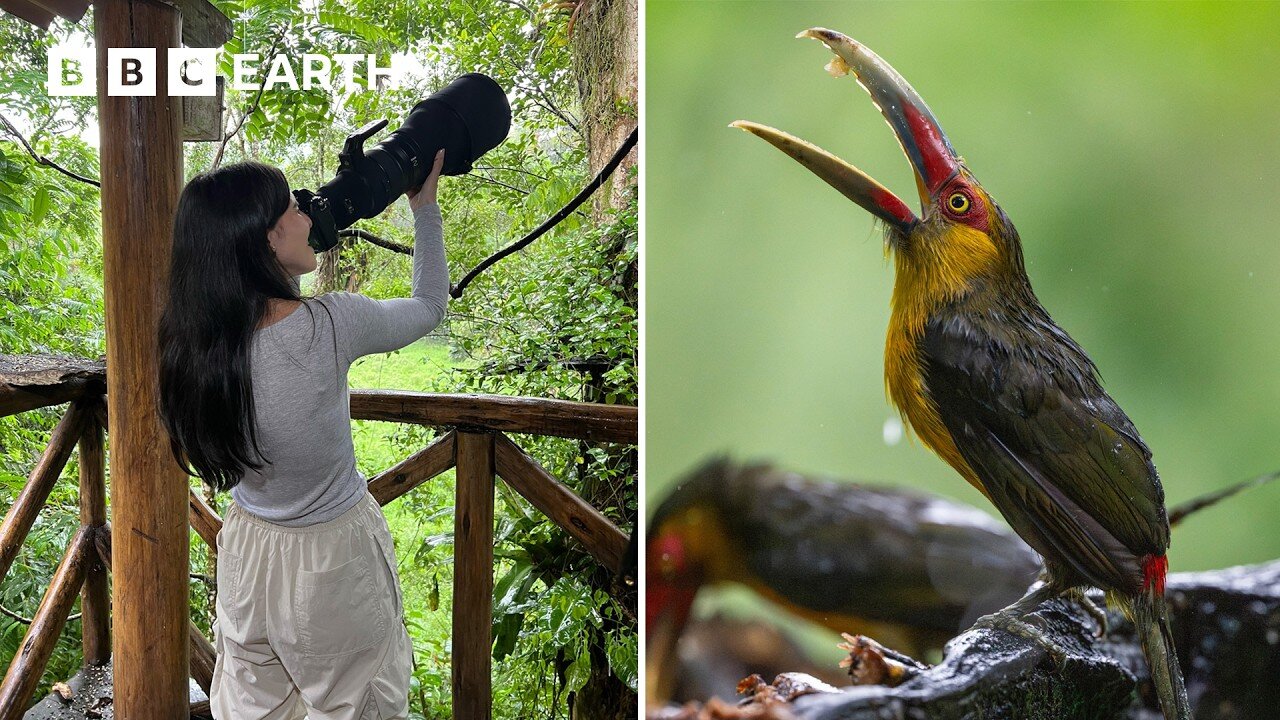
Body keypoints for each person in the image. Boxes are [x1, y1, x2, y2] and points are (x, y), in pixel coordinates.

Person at [157, 149, 449, 720]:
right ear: (267, 239)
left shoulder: (191, 349)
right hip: (333, 560)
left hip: (247, 549)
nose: (309, 217)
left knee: (252, 707)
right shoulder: (330, 324)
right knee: (358, 706)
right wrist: (425, 209)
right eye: (294, 207)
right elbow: (429, 305)